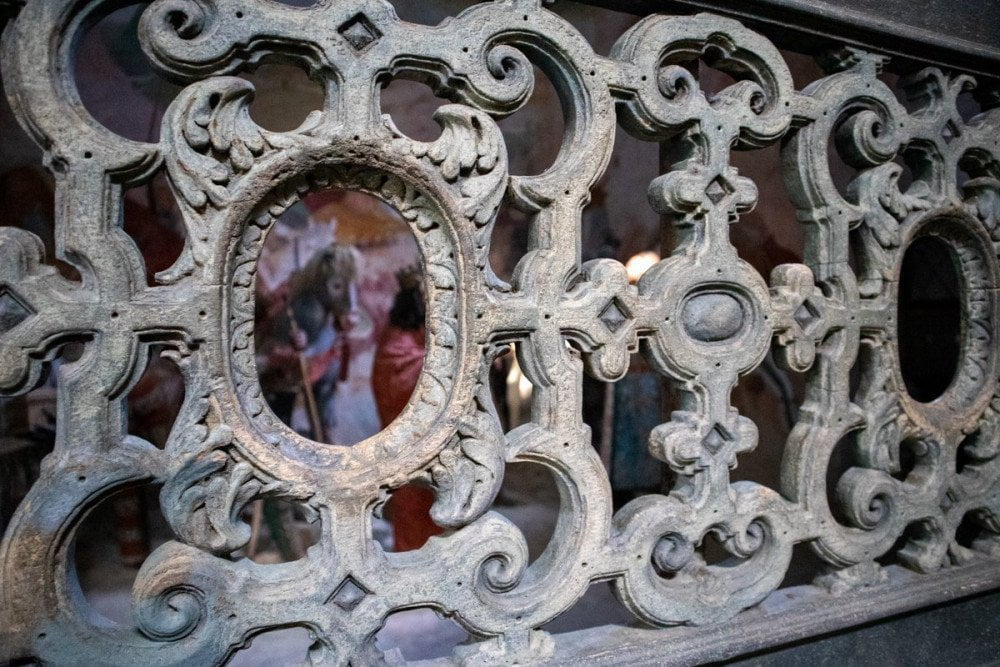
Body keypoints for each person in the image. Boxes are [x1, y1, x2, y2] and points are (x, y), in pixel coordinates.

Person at [371, 266, 442, 551]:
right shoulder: (396, 341)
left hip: (433, 444)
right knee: (411, 507)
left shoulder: (414, 334)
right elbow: (397, 380)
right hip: (405, 445)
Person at [256, 242, 358, 441]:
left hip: (317, 366)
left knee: (325, 392)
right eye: (337, 286)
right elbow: (277, 355)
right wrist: (300, 349)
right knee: (280, 415)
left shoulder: (324, 309)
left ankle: (321, 432)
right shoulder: (308, 310)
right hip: (287, 376)